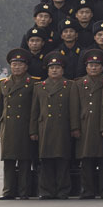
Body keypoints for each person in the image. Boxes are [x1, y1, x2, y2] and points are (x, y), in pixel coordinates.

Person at [0, 51, 39, 199]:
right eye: (14, 65)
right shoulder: (4, 83)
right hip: (8, 126)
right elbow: (0, 107)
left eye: (20, 65)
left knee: (25, 160)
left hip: (24, 127)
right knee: (8, 161)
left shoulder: (33, 83)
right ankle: (8, 191)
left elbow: (35, 108)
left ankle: (24, 191)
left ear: (26, 67)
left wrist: (34, 129)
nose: (17, 67)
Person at [32, 55, 76, 199]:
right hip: (45, 128)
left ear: (63, 70)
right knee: (46, 161)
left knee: (62, 160)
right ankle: (46, 191)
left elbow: (73, 109)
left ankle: (63, 190)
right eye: (52, 68)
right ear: (48, 70)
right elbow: (35, 111)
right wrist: (33, 130)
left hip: (62, 128)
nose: (55, 70)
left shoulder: (69, 86)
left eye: (57, 68)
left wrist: (74, 128)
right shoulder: (39, 87)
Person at [72, 51, 103, 199]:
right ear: (86, 67)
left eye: (96, 65)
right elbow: (74, 107)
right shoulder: (79, 83)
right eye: (91, 65)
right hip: (84, 125)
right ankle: (88, 190)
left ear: (102, 67)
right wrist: (75, 127)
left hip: (101, 124)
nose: (93, 68)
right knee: (86, 160)